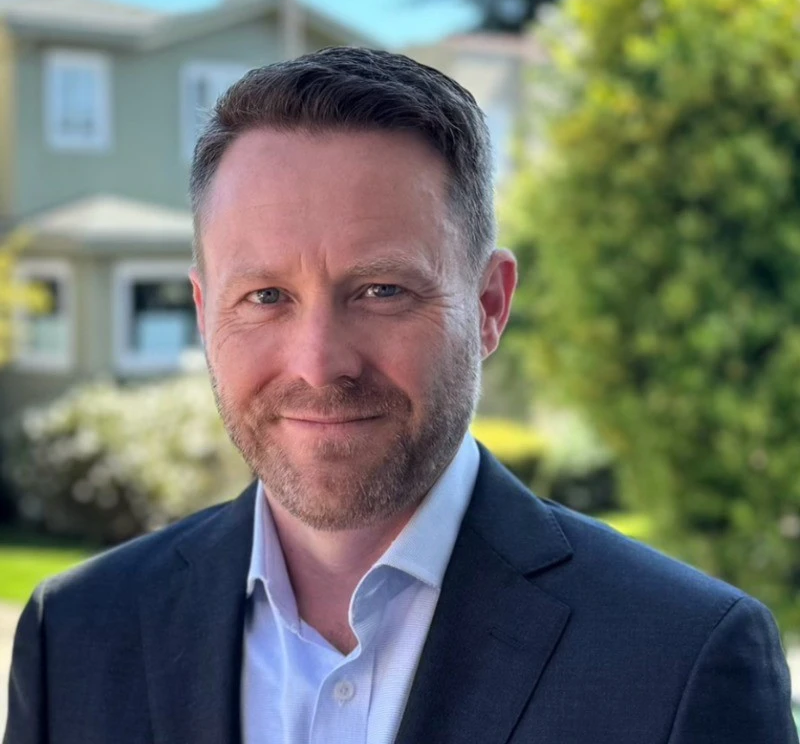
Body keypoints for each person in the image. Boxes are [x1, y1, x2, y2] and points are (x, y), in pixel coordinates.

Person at [3, 47, 797, 744]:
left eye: (381, 290)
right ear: (206, 313)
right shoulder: (73, 637)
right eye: (266, 297)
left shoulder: (681, 660)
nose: (319, 364)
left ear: (490, 306)